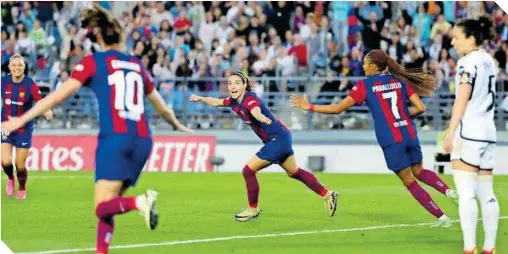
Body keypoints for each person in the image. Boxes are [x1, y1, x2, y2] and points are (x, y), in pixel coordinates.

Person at [1, 4, 192, 254]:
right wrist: (177, 124)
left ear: (98, 37)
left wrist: (19, 119)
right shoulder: (136, 64)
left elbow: (59, 95)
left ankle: (140, 202)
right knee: (110, 204)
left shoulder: (94, 61)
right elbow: (162, 106)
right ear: (121, 36)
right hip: (144, 140)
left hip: (116, 139)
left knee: (101, 207)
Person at [291, 50, 458, 227]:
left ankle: (442, 218)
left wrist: (308, 106)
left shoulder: (365, 86)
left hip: (391, 139)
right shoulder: (398, 81)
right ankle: (449, 191)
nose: (363, 67)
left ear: (372, 65)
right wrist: (401, 115)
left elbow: (338, 108)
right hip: (409, 133)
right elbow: (420, 107)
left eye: (364, 63)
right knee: (420, 171)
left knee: (409, 181)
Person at [189, 72, 338, 222]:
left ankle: (252, 209)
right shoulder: (234, 101)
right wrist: (200, 98)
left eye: (236, 83)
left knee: (248, 171)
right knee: (294, 172)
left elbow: (256, 111)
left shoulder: (249, 99)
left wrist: (262, 118)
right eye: (230, 83)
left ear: (244, 85)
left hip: (277, 139)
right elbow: (217, 101)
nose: (232, 86)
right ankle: (327, 194)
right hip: (282, 137)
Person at [444, 17, 499, 254]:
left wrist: (450, 132)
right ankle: (490, 248)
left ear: (471, 38)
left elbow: (462, 98)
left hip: (471, 132)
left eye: (457, 37)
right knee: (487, 193)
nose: (453, 41)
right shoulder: (489, 60)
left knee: (466, 192)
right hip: (489, 132)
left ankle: (469, 248)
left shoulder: (467, 63)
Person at [1, 54, 53, 200]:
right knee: (5, 161)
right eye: (14, 65)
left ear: (24, 67)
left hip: (24, 127)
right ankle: (10, 178)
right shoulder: (3, 82)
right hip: (7, 125)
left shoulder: (30, 84)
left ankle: (22, 188)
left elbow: (39, 101)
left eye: (20, 65)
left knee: (20, 164)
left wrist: (46, 110)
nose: (17, 68)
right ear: (10, 68)